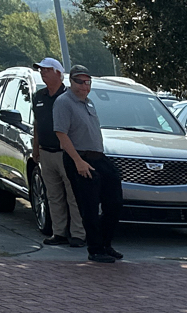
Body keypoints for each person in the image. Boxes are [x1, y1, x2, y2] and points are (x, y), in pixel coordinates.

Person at [53, 65, 122, 264]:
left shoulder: (89, 102)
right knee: (89, 205)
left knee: (115, 201)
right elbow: (61, 134)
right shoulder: (63, 102)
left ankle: (106, 244)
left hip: (98, 157)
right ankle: (95, 249)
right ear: (71, 81)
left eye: (87, 82)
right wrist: (78, 161)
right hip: (79, 158)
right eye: (80, 81)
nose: (84, 86)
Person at [30, 57, 84, 248]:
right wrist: (35, 148)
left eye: (46, 69)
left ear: (58, 73)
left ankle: (78, 233)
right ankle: (59, 232)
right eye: (41, 70)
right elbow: (37, 124)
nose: (42, 73)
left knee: (73, 195)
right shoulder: (38, 96)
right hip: (46, 153)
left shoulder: (70, 96)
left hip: (65, 153)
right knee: (53, 195)